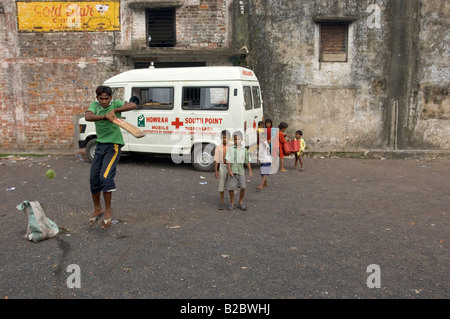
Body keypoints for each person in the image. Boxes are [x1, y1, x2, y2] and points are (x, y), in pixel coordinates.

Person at [85, 85, 137, 230]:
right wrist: (104, 116)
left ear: (110, 98)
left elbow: (133, 104)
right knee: (94, 178)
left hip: (113, 146)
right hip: (100, 145)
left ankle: (108, 210)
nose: (104, 101)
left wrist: (114, 111)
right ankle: (97, 209)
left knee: (105, 177)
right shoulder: (94, 106)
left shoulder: (115, 104)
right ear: (97, 98)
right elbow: (88, 116)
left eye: (106, 99)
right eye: (101, 99)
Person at [225, 130, 253, 210]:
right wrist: (229, 170)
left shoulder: (244, 150)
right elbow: (228, 160)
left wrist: (250, 170)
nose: (237, 141)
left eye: (238, 139)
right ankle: (232, 202)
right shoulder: (231, 149)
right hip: (233, 172)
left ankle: (240, 202)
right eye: (235, 139)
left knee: (243, 187)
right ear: (233, 140)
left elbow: (247, 160)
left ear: (242, 140)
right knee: (231, 188)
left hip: (241, 171)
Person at [214, 130, 232, 210]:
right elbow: (216, 159)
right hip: (222, 166)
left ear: (229, 138)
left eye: (227, 138)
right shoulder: (218, 148)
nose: (225, 139)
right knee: (221, 184)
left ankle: (232, 202)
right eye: (223, 138)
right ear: (221, 138)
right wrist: (216, 170)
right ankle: (222, 202)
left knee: (231, 184)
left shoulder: (231, 147)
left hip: (231, 167)